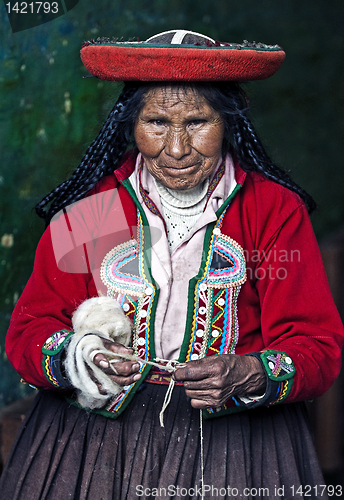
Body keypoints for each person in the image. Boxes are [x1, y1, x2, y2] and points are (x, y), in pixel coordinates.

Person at [1, 30, 343, 499]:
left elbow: (318, 346)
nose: (178, 148)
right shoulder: (93, 211)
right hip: (94, 445)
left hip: (239, 448)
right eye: (157, 122)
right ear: (130, 125)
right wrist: (83, 356)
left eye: (198, 122)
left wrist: (249, 371)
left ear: (229, 122)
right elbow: (28, 331)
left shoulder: (272, 211)